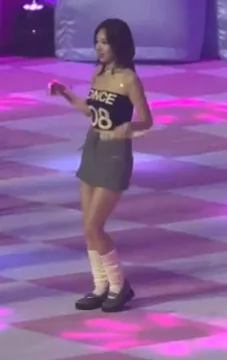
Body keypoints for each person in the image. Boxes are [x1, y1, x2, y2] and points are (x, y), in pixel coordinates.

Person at [48, 18, 152, 313]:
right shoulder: (98, 74)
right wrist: (66, 93)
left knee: (95, 225)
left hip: (114, 154)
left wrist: (127, 128)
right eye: (97, 42)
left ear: (118, 44)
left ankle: (119, 286)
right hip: (92, 149)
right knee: (87, 226)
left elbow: (147, 120)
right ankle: (100, 286)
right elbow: (91, 111)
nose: (99, 47)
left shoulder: (129, 80)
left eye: (105, 42)